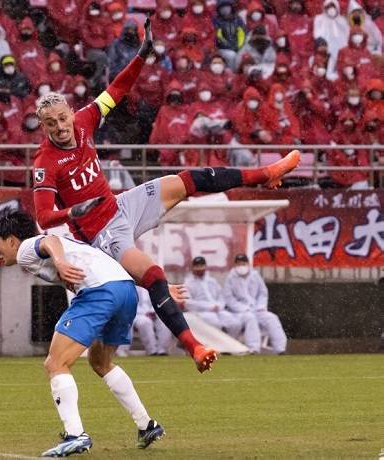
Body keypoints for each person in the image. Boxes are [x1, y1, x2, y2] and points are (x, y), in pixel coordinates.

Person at [32, 16, 300, 373]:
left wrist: (142, 56)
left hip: (121, 204)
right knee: (154, 274)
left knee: (186, 180)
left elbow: (118, 88)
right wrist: (74, 211)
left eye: (63, 118)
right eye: (52, 123)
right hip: (102, 233)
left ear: (69, 113)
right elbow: (44, 218)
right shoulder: (45, 162)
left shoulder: (85, 120)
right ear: (44, 125)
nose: (62, 127)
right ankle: (194, 347)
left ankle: (265, 175)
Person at [0, 211, 166, 456]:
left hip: (100, 293)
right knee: (100, 361)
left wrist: (60, 262)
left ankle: (75, 435)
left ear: (11, 239)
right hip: (125, 290)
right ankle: (146, 425)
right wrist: (156, 288)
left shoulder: (26, 247)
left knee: (55, 363)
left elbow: (50, 242)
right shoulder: (70, 246)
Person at [223, 254, 287, 354]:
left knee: (272, 318)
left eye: (243, 263)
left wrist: (261, 306)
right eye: (239, 264)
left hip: (256, 308)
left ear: (248, 264)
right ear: (235, 265)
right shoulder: (231, 278)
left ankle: (280, 349)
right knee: (250, 318)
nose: (241, 266)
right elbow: (229, 298)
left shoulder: (255, 275)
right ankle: (254, 348)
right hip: (239, 312)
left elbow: (263, 293)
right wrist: (243, 308)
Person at [183, 257, 242, 335]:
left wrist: (219, 306)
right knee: (215, 324)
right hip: (201, 312)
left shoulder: (212, 281)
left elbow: (221, 296)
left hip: (218, 309)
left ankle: (227, 345)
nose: (199, 268)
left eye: (201, 266)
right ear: (193, 268)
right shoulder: (188, 283)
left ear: (205, 266)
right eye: (197, 266)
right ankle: (215, 346)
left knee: (235, 324)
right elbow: (188, 303)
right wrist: (208, 307)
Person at [118, 286, 173, 356]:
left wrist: (153, 311)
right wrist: (145, 313)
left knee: (165, 322)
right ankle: (152, 351)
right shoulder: (130, 285)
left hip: (154, 313)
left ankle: (162, 350)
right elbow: (128, 304)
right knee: (145, 322)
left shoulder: (153, 284)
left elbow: (159, 301)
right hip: (136, 314)